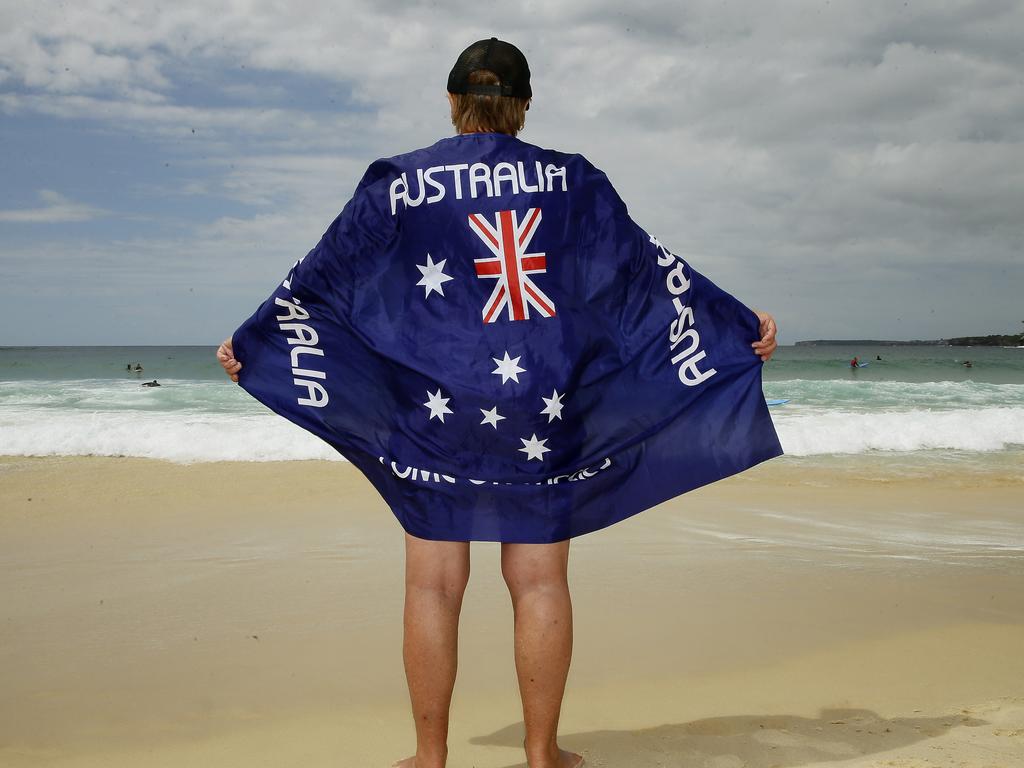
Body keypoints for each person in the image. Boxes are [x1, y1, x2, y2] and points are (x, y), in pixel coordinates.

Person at [217, 38, 779, 768]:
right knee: (539, 578)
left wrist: (257, 339)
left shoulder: (397, 182)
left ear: (453, 102)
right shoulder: (575, 182)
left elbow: (323, 276)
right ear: (523, 105)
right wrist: (730, 323)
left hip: (434, 406)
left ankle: (429, 756)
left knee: (433, 583)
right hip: (542, 407)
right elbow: (645, 273)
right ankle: (542, 755)